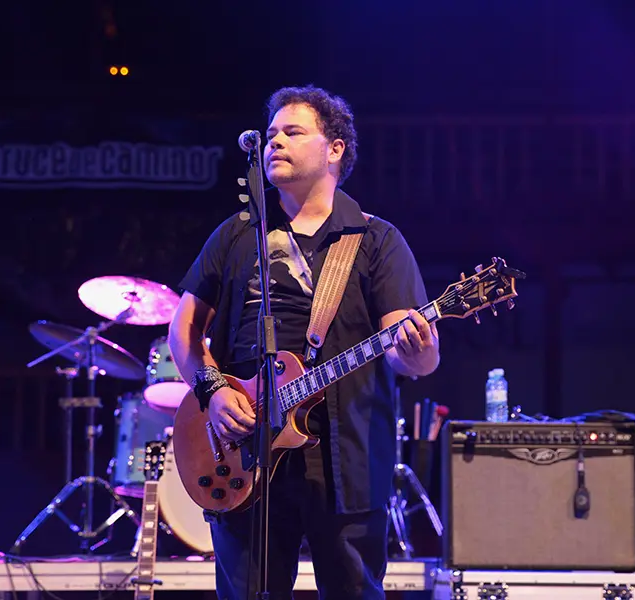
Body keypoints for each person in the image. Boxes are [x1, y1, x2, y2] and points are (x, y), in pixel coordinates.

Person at [168, 85, 440, 600]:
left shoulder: (376, 239)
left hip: (346, 460)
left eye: (293, 132)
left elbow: (419, 361)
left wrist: (418, 346)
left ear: (334, 148)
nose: (275, 142)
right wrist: (213, 391)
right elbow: (183, 329)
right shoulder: (235, 235)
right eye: (270, 134)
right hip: (242, 451)